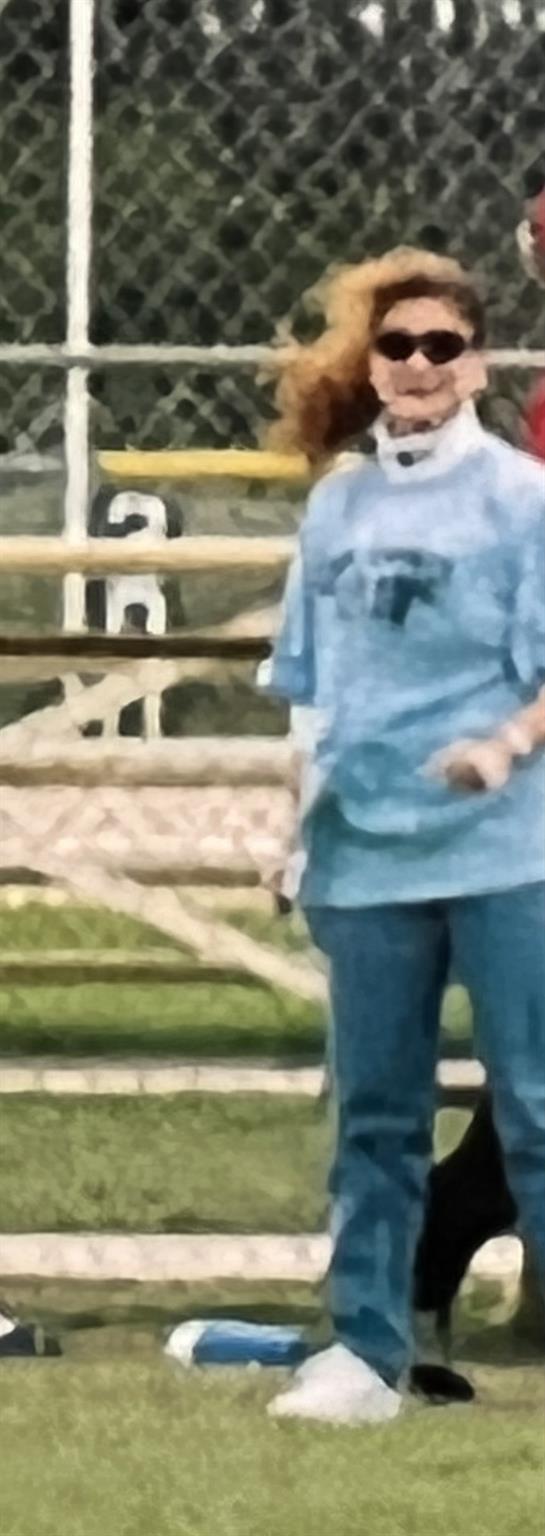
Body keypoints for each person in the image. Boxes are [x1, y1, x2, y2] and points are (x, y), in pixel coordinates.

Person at [258, 246, 545, 1425]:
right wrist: (291, 826)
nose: (417, 365)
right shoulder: (338, 503)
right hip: (365, 853)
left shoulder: (522, 499)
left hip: (502, 853)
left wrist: (506, 747)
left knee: (531, 1102)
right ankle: (365, 1352)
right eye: (395, 346)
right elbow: (310, 687)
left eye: (440, 346)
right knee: (374, 1108)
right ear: (370, 365)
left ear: (475, 363)